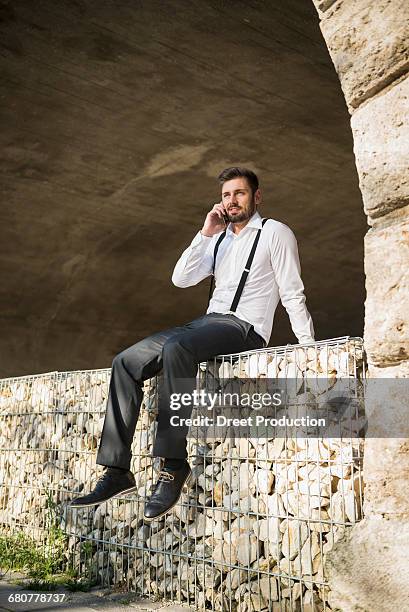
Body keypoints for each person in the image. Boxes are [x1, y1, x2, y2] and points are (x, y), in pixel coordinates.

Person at [70, 167, 315, 520]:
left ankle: (173, 466)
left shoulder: (275, 233)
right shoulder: (218, 238)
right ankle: (116, 471)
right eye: (227, 195)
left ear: (256, 197)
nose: (232, 201)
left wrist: (308, 344)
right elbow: (181, 278)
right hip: (206, 322)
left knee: (177, 348)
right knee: (125, 361)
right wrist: (204, 234)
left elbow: (292, 291)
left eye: (240, 193)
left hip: (245, 328)